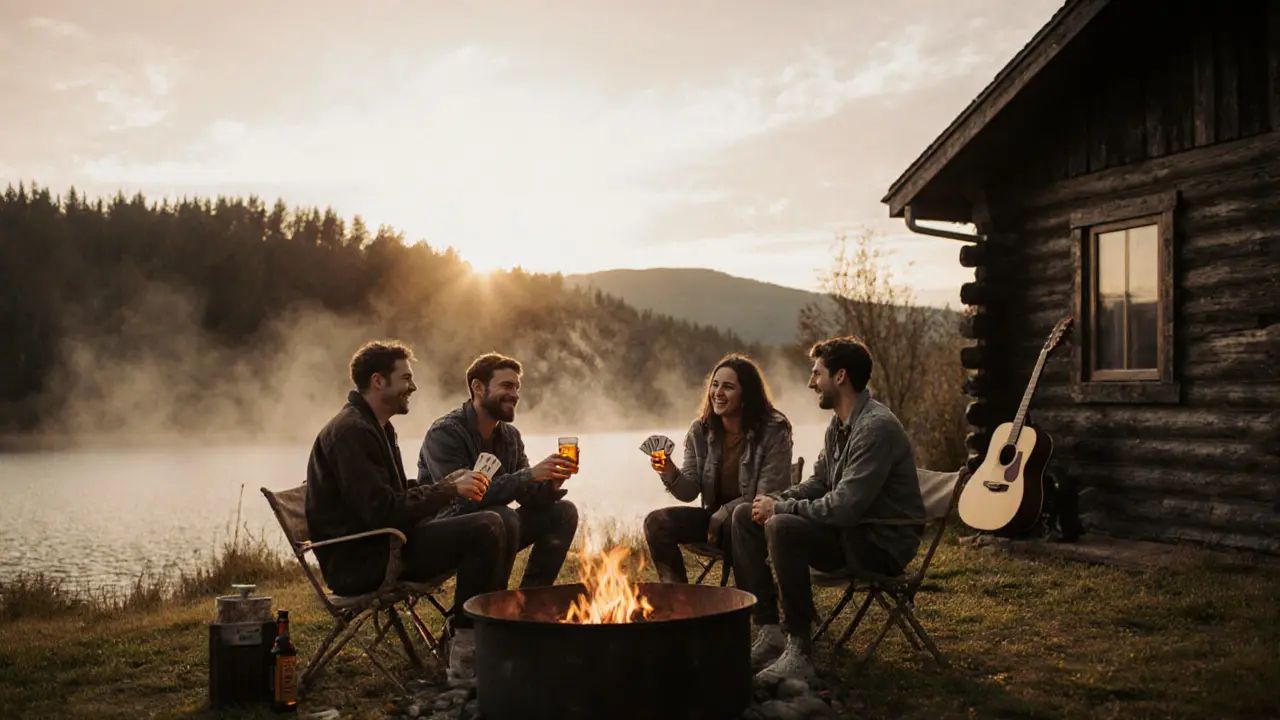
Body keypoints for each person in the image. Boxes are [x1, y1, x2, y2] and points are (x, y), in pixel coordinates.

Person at [304, 341, 505, 688]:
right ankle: (464, 656)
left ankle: (484, 637)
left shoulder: (377, 426)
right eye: (406, 378)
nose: (413, 387)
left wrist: (446, 482)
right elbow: (382, 511)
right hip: (362, 561)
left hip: (385, 545)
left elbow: (390, 496)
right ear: (379, 381)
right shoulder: (351, 432)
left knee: (495, 520)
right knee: (486, 526)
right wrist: (446, 491)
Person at [736, 336, 925, 684]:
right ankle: (770, 631)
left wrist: (782, 509)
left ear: (840, 377)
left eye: (816, 374)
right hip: (851, 532)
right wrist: (774, 500)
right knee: (744, 515)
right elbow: (820, 482)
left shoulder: (875, 428)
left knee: (783, 527)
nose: (811, 383)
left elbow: (843, 508)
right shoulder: (839, 425)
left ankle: (799, 651)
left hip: (879, 543)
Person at [644, 354, 794, 671]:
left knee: (739, 519)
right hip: (714, 522)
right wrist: (667, 470)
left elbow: (767, 493)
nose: (718, 393)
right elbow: (689, 491)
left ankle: (769, 628)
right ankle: (682, 610)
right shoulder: (701, 431)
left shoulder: (774, 430)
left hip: (753, 522)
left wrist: (726, 510)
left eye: (728, 387)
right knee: (657, 522)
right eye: (715, 385)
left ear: (747, 394)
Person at [418, 352, 580, 590]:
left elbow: (528, 497)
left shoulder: (510, 437)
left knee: (563, 512)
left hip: (499, 527)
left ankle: (529, 604)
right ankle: (476, 616)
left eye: (517, 387)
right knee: (502, 517)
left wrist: (551, 482)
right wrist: (529, 475)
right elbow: (461, 502)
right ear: (478, 387)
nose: (514, 395)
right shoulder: (445, 433)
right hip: (444, 533)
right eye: (506, 386)